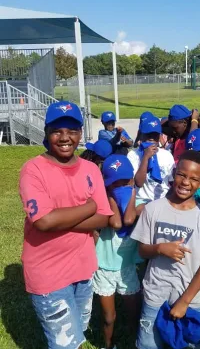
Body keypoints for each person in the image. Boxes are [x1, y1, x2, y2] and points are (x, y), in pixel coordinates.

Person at [19, 101, 113, 349]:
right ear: (47, 131)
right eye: (57, 130)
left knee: (78, 333)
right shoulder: (33, 170)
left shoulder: (91, 168)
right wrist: (89, 207)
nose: (64, 138)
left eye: (72, 130)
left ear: (80, 133)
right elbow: (43, 221)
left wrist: (60, 219)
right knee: (64, 344)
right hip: (48, 274)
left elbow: (105, 218)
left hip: (83, 269)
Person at [130, 150, 200, 349]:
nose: (186, 182)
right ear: (174, 173)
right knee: (148, 344)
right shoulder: (153, 209)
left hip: (189, 300)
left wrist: (185, 302)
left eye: (194, 178)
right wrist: (160, 248)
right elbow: (142, 250)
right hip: (155, 295)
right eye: (182, 175)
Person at [93, 154, 141, 349]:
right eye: (115, 184)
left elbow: (128, 220)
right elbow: (116, 223)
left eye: (125, 182)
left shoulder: (140, 201)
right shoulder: (103, 204)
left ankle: (135, 342)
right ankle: (108, 345)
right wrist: (112, 197)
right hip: (104, 268)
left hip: (127, 267)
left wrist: (131, 195)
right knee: (109, 317)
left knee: (133, 311)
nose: (120, 186)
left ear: (132, 179)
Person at [127, 116, 175, 208]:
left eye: (155, 135)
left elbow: (172, 182)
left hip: (162, 199)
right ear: (141, 135)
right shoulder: (133, 155)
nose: (152, 138)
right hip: (141, 200)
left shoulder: (167, 155)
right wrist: (145, 157)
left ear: (159, 136)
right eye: (148, 135)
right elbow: (138, 183)